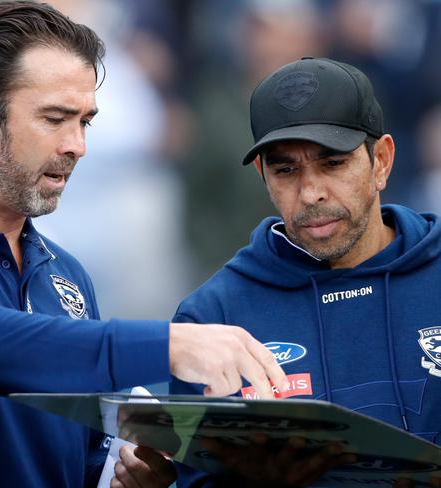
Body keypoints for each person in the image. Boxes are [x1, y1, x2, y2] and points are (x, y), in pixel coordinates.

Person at [0, 2, 288, 487]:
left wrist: (129, 477)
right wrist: (167, 345)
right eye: (54, 119)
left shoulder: (67, 277)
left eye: (85, 122)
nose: (77, 145)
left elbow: (85, 462)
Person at [170, 57, 441, 486]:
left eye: (333, 163)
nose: (311, 192)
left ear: (382, 161)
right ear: (263, 175)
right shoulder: (210, 318)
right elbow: (196, 476)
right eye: (286, 170)